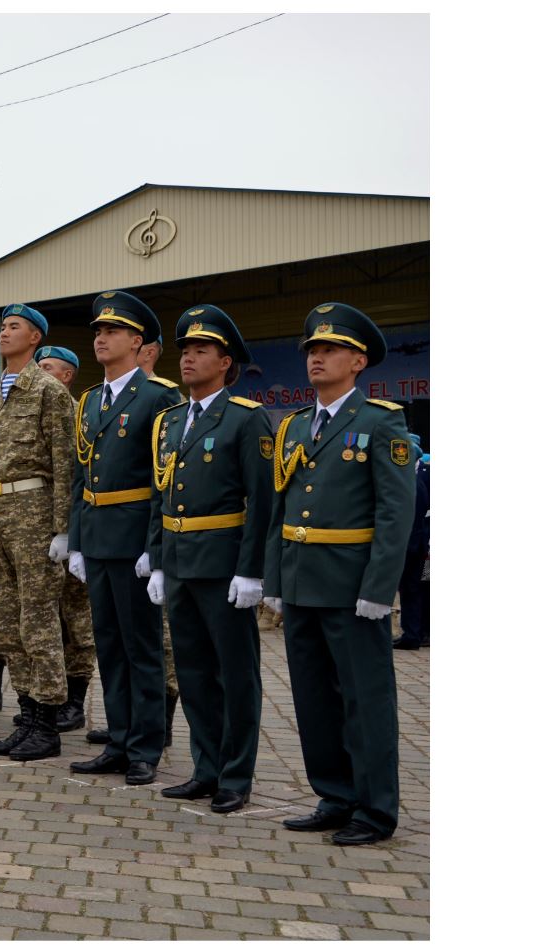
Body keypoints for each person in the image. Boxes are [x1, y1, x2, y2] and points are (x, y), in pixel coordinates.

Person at [264, 303, 414, 846]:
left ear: (358, 360)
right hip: (303, 581)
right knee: (313, 697)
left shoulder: (381, 421)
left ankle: (375, 811)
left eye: (328, 350)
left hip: (353, 588)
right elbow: (281, 511)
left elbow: (394, 515)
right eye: (311, 351)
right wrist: (276, 582)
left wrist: (380, 590)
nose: (316, 358)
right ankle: (334, 795)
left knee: (364, 698)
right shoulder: (297, 425)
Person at [149, 305, 272, 814]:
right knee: (194, 671)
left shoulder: (246, 418)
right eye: (186, 351)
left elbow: (262, 501)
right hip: (179, 562)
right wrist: (157, 559)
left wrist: (252, 570)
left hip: (223, 565)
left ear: (226, 362)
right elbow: (162, 494)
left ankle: (236, 775)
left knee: (234, 672)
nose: (189, 359)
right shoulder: (172, 420)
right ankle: (205, 768)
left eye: (202, 351)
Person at [68, 290, 184, 786]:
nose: (100, 338)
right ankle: (117, 740)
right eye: (97, 331)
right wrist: (75, 540)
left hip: (134, 537)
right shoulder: (91, 400)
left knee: (142, 647)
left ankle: (145, 745)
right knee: (108, 644)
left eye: (111, 331)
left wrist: (154, 549)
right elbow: (80, 475)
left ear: (137, 342)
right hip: (96, 536)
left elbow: (168, 479)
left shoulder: (160, 396)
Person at [0, 305, 78, 761]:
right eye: (1, 326)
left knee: (37, 622)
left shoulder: (49, 391)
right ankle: (28, 712)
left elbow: (64, 463)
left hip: (34, 514)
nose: (4, 332)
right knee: (6, 623)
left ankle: (49, 721)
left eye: (14, 326)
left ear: (35, 338)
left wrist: (63, 530)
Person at [35, 345, 98, 733]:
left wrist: (69, 531)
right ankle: (55, 695)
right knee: (51, 617)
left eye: (48, 367)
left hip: (73, 530)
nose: (40, 372)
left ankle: (75, 700)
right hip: (39, 528)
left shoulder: (77, 415)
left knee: (77, 617)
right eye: (38, 366)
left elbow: (75, 476)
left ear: (67, 376)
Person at [393, 431, 430, 650]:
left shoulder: (416, 482)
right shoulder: (418, 479)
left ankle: (415, 633)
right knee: (417, 588)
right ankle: (418, 632)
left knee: (415, 588)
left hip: (418, 548)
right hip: (421, 546)